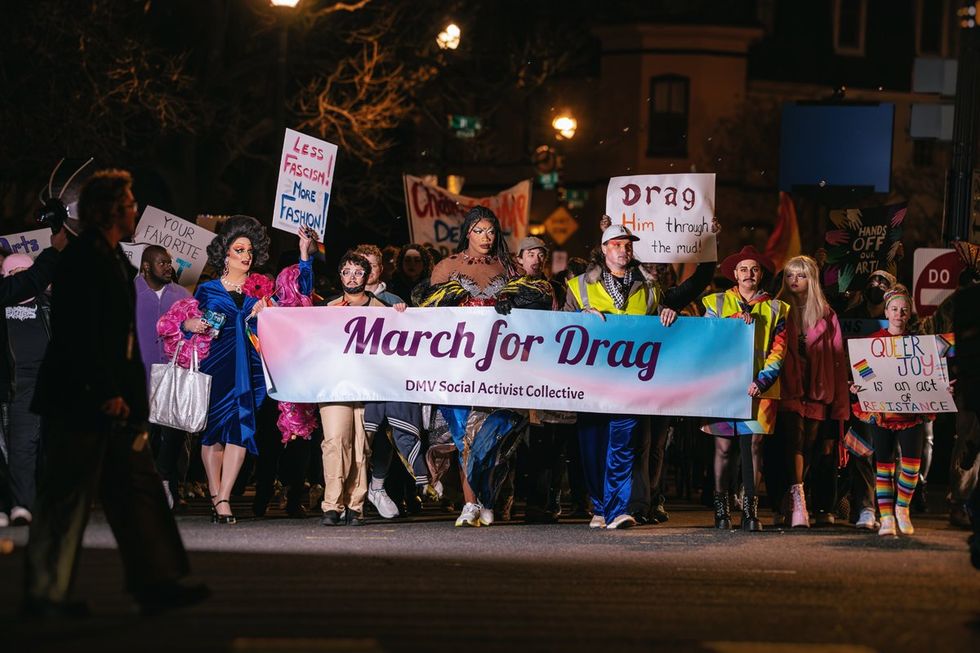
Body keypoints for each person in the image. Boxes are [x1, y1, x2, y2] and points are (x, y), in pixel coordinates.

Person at [25, 169, 207, 617]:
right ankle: (44, 593)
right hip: (81, 401)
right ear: (109, 211)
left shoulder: (110, 258)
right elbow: (79, 335)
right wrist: (105, 391)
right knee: (66, 496)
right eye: (128, 204)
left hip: (116, 402)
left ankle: (156, 581)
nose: (134, 210)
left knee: (139, 491)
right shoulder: (83, 260)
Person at [564, 224, 715, 529]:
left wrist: (667, 313)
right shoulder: (579, 285)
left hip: (632, 380)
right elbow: (559, 329)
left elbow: (658, 317)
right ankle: (600, 504)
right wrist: (577, 318)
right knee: (593, 443)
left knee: (624, 441)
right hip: (592, 379)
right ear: (604, 249)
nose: (624, 249)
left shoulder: (649, 286)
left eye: (628, 245)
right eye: (617, 244)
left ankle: (618, 508)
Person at [416, 206, 534, 527]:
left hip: (498, 364)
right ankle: (470, 503)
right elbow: (427, 314)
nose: (486, 237)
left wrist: (517, 301)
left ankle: (488, 498)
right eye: (479, 231)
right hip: (457, 364)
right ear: (467, 232)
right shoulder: (447, 267)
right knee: (463, 435)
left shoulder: (509, 268)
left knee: (492, 435)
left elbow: (534, 307)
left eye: (491, 231)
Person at [159, 215, 275, 524]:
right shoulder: (208, 290)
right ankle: (214, 491)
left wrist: (265, 314)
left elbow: (276, 330)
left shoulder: (259, 291)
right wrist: (192, 324)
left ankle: (223, 498)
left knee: (241, 430)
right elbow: (184, 324)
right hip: (215, 366)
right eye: (239, 250)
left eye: (250, 251)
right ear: (225, 254)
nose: (246, 256)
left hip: (248, 368)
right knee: (212, 435)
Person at [701, 245, 790, 532]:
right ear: (734, 275)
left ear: (761, 274)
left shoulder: (777, 308)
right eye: (743, 269)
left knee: (754, 446)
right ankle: (721, 511)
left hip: (761, 388)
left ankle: (751, 512)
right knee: (723, 448)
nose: (748, 274)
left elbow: (779, 350)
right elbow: (705, 341)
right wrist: (732, 323)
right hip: (722, 389)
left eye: (754, 269)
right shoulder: (715, 304)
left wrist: (762, 381)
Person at [318, 251, 406, 526]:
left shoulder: (381, 309)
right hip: (335, 385)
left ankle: (356, 505)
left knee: (361, 446)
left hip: (369, 388)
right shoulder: (328, 309)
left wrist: (401, 316)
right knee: (335, 441)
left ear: (367, 277)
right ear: (340, 275)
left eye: (358, 272)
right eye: (347, 271)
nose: (352, 276)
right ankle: (332, 504)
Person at [352, 243, 428, 519]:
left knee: (383, 435)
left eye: (373, 265)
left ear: (381, 268)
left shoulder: (393, 298)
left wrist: (404, 315)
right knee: (358, 438)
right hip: (355, 379)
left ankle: (378, 487)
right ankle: (354, 493)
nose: (367, 270)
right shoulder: (344, 298)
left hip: (384, 380)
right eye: (363, 264)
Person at [773, 255, 849, 527]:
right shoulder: (777, 308)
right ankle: (798, 502)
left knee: (810, 447)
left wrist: (841, 407)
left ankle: (791, 497)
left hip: (818, 392)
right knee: (793, 440)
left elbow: (839, 362)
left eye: (801, 275)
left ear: (811, 279)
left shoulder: (827, 315)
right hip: (788, 390)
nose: (794, 280)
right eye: (790, 275)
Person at [850, 287, 930, 537]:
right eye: (894, 309)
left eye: (903, 310)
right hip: (882, 413)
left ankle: (902, 509)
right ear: (886, 312)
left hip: (911, 413)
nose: (899, 313)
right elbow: (862, 368)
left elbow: (930, 371)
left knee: (911, 466)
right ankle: (885, 516)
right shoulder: (873, 342)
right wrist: (860, 387)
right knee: (883, 465)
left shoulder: (918, 342)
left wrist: (941, 385)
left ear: (909, 314)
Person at [134, 245, 192, 510]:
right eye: (162, 263)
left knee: (174, 434)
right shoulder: (129, 291)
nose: (169, 267)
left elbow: (197, 334)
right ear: (146, 267)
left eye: (170, 263)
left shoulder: (182, 295)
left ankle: (166, 479)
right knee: (142, 436)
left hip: (173, 375)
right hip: (138, 376)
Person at [0, 254, 53, 528]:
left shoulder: (48, 305)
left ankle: (34, 504)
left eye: (28, 273)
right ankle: (14, 505)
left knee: (37, 445)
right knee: (12, 445)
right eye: (16, 273)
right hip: (12, 381)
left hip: (43, 382)